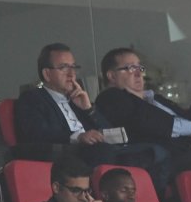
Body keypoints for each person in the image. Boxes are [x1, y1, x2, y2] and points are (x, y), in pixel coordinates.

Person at [15, 42, 155, 168]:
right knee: (106, 152)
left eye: (73, 67)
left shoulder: (76, 100)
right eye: (64, 67)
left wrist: (89, 109)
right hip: (68, 157)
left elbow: (110, 132)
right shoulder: (32, 98)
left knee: (150, 151)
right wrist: (78, 137)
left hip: (101, 152)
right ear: (47, 74)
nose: (72, 74)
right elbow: (38, 133)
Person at [94, 47, 191, 191]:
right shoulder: (111, 97)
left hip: (189, 152)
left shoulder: (155, 98)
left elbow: (189, 117)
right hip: (162, 161)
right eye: (131, 68)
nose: (139, 73)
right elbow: (147, 120)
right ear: (112, 76)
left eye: (140, 67)